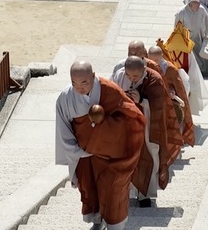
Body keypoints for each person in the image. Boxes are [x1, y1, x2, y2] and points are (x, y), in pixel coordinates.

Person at [54, 60, 146, 230]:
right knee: (90, 189)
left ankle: (115, 226)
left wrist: (103, 129)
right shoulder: (66, 97)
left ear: (93, 76)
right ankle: (97, 219)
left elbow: (131, 116)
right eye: (74, 83)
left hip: (112, 155)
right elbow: (63, 128)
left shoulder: (109, 89)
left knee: (114, 190)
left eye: (84, 82)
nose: (80, 87)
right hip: (84, 155)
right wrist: (77, 151)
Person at [112, 55, 178, 207]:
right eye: (129, 75)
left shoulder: (154, 80)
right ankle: (126, 191)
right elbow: (112, 94)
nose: (132, 79)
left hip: (149, 126)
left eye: (135, 76)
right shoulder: (120, 75)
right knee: (126, 157)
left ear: (144, 71)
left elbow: (160, 105)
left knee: (150, 156)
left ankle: (145, 195)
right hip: (126, 124)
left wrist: (142, 101)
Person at [148, 45, 195, 147]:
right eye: (151, 59)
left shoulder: (170, 69)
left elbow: (179, 88)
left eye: (156, 60)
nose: (154, 62)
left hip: (170, 100)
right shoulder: (147, 66)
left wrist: (173, 92)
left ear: (162, 56)